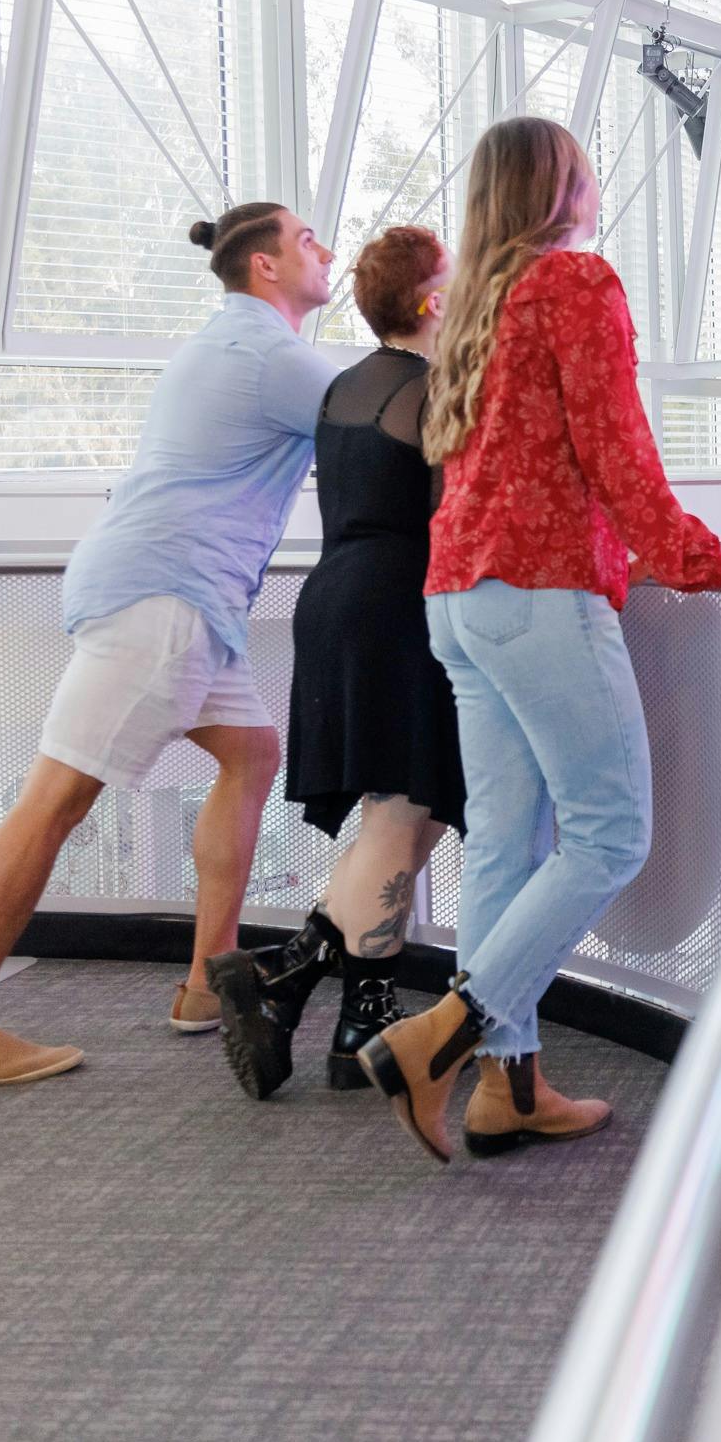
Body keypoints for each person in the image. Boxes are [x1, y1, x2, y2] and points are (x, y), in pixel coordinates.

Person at [360, 116, 721, 1160]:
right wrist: (703, 558)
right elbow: (617, 453)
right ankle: (441, 1038)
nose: (598, 180)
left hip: (458, 600)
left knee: (508, 845)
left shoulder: (471, 305)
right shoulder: (574, 285)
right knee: (611, 835)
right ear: (559, 189)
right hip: (541, 593)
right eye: (585, 166)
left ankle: (511, 1089)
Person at [0, 201, 340, 1085]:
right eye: (305, 241)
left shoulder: (228, 343)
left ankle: (203, 984)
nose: (325, 250)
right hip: (164, 598)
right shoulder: (270, 355)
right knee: (56, 799)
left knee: (252, 754)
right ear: (263, 267)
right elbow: (388, 415)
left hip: (178, 595)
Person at [207, 225, 468, 1100]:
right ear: (433, 300)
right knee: (406, 813)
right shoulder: (436, 393)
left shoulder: (343, 387)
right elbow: (454, 518)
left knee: (405, 816)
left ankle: (358, 1013)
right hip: (398, 610)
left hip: (334, 601)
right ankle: (286, 971)